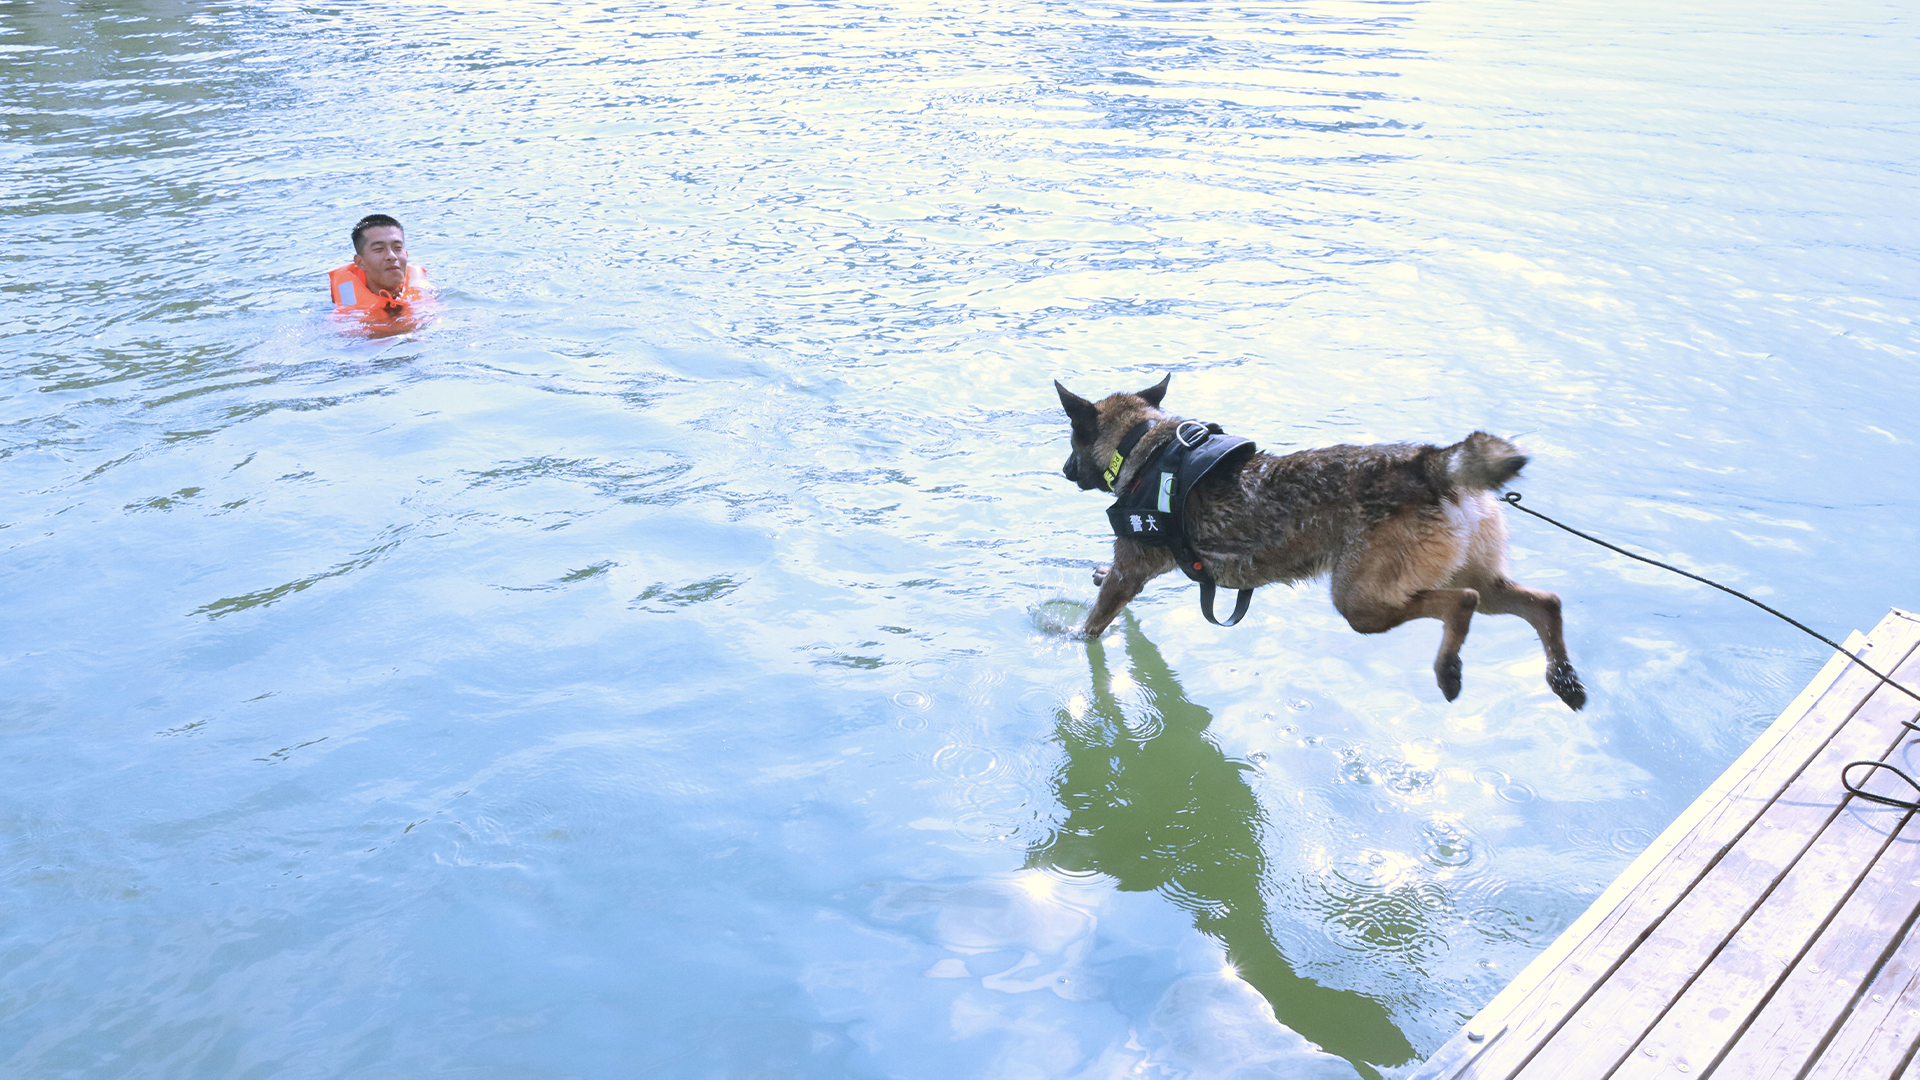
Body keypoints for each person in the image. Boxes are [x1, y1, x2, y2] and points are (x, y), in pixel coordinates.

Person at [329, 214, 431, 314]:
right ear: (360, 262)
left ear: (406, 254)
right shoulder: (348, 307)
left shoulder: (426, 294)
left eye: (398, 248)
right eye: (379, 249)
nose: (392, 256)